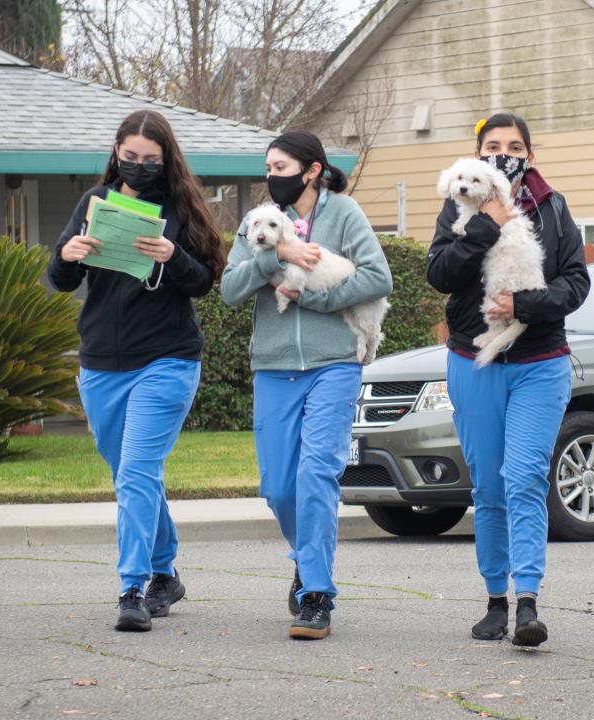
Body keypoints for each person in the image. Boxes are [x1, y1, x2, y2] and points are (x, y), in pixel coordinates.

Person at [49, 109, 226, 632]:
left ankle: (133, 587)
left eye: (152, 160)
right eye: (131, 158)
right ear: (116, 154)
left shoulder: (180, 210)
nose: (141, 166)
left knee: (136, 473)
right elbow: (60, 279)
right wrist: (69, 251)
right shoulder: (93, 202)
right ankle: (166, 570)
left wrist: (172, 255)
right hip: (101, 359)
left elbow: (202, 283)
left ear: (166, 160)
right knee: (129, 474)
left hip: (167, 358)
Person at [220, 130, 392, 640]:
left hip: (333, 363)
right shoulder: (256, 223)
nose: (272, 176)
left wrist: (312, 300)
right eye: (268, 168)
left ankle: (316, 592)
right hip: (273, 366)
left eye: (280, 167)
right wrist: (277, 259)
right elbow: (230, 288)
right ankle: (308, 557)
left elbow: (378, 279)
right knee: (277, 487)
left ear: (311, 170)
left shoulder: (344, 214)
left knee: (316, 473)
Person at [426, 112, 589, 647]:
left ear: (529, 155)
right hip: (473, 360)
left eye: (514, 145)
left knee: (523, 479)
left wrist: (524, 303)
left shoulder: (552, 208)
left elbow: (576, 283)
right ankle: (495, 597)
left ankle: (528, 602)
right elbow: (440, 276)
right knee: (490, 486)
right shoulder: (457, 206)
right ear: (476, 155)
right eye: (492, 145)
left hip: (539, 362)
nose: (503, 152)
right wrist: (484, 225)